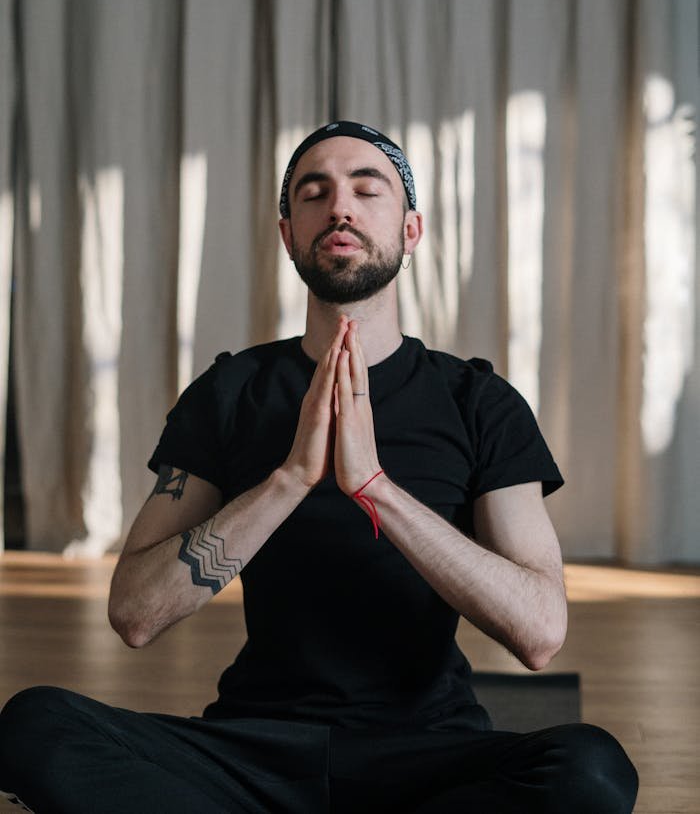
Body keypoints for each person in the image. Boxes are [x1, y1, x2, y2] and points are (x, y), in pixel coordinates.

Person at [0, 121, 638, 813]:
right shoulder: (229, 393)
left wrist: (377, 490)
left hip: (425, 754)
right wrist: (289, 481)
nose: (340, 207)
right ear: (288, 234)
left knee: (592, 770)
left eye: (367, 190)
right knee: (35, 728)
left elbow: (539, 633)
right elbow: (134, 613)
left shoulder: (478, 402)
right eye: (315, 192)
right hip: (257, 753)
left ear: (412, 229)